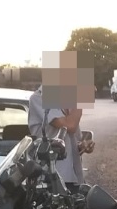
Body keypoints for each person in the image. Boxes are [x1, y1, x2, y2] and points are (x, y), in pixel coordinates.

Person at [27, 51, 95, 193]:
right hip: (52, 178)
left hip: (73, 176)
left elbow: (69, 138)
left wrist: (82, 146)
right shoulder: (39, 98)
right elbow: (70, 125)